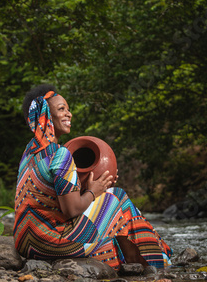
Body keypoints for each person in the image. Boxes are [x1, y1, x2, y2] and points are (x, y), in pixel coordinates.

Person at [13, 84, 173, 270]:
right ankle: (159, 264)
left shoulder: (29, 152)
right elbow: (71, 210)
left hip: (24, 242)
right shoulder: (60, 154)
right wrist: (93, 191)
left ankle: (133, 263)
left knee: (109, 244)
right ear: (45, 115)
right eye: (61, 109)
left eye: (68, 109)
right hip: (51, 241)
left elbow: (50, 197)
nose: (69, 114)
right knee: (118, 198)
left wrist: (91, 188)